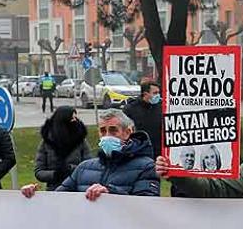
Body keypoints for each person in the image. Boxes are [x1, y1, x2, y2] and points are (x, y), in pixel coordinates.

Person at [22, 110, 158, 200]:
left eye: (113, 130)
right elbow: (59, 198)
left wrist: (110, 193)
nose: (107, 135)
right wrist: (35, 195)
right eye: (103, 131)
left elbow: (147, 206)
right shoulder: (84, 168)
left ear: (127, 132)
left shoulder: (146, 166)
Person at [33, 106, 93, 190]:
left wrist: (70, 170)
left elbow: (89, 168)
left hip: (77, 191)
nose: (75, 121)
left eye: (76, 118)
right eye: (72, 119)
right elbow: (39, 171)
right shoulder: (47, 143)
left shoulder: (81, 141)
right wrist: (55, 174)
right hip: (54, 191)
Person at [123, 80, 163, 157]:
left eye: (158, 93)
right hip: (140, 151)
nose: (158, 95)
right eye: (155, 93)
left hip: (158, 151)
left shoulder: (160, 106)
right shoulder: (131, 109)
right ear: (145, 94)